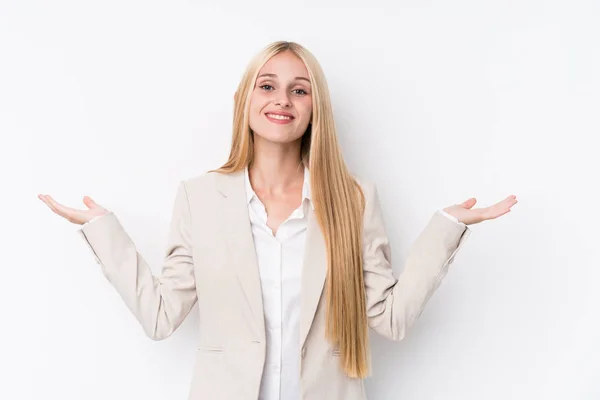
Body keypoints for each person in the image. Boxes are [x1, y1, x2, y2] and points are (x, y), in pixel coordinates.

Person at [38, 40, 517, 400]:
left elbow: (389, 319)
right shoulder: (199, 197)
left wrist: (446, 227)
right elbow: (161, 317)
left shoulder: (352, 199)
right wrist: (103, 230)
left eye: (299, 90)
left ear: (315, 107)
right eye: (267, 86)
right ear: (245, 100)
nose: (282, 99)